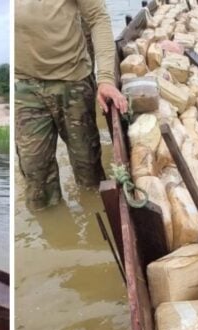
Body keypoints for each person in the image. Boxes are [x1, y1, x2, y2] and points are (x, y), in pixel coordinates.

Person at [15, 0, 129, 210]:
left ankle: (95, 218)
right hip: (24, 86)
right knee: (35, 172)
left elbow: (97, 17)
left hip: (72, 81)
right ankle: (53, 230)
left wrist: (105, 79)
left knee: (88, 169)